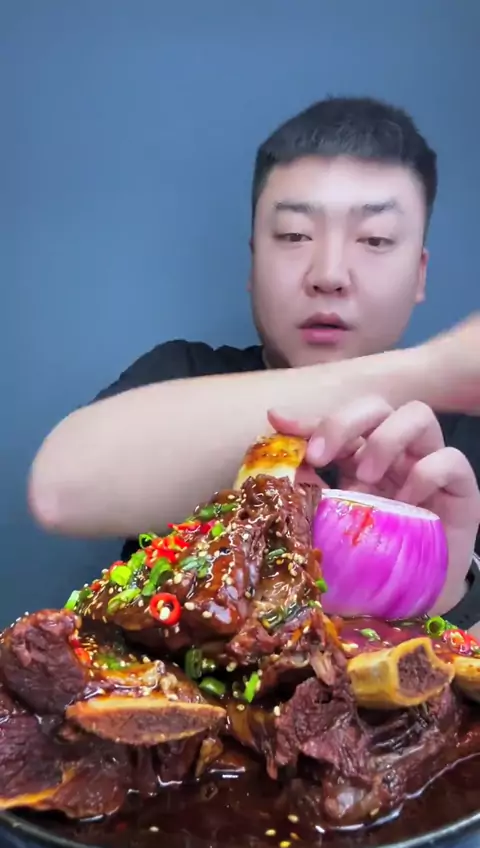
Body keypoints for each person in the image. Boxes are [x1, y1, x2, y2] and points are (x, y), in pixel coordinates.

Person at [28, 96, 480, 630]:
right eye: (293, 236)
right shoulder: (184, 374)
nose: (329, 274)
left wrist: (442, 586)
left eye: (376, 239)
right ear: (253, 261)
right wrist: (427, 371)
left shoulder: (460, 448)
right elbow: (59, 491)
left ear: (420, 273)